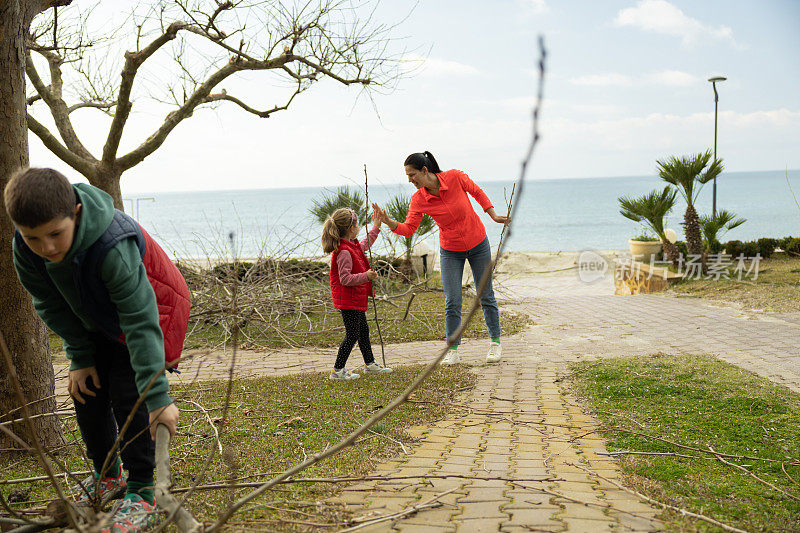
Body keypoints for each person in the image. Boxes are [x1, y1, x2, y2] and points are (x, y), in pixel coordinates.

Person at [4, 168, 190, 533]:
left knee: (128, 394)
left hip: (153, 309)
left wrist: (157, 397)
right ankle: (108, 476)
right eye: (33, 238)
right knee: (86, 392)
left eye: (56, 234)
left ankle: (144, 492)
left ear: (75, 212)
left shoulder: (111, 245)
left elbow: (139, 320)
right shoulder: (25, 250)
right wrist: (80, 356)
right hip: (96, 317)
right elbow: (49, 303)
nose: (48, 248)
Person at [377, 151, 508, 365]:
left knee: (485, 294)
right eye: (407, 176)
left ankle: (495, 343)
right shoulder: (419, 199)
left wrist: (492, 214)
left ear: (425, 170)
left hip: (478, 243)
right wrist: (389, 221)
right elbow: (409, 229)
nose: (409, 180)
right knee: (453, 300)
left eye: (412, 175)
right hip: (451, 251)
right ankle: (453, 349)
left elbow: (477, 192)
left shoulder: (455, 177)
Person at [322, 205, 393, 380]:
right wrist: (366, 276)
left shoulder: (350, 246)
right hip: (349, 301)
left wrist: (376, 226)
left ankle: (370, 364)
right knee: (352, 334)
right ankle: (337, 370)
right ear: (351, 228)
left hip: (354, 300)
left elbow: (365, 244)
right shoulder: (344, 252)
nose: (360, 228)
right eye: (358, 225)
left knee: (363, 332)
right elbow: (345, 279)